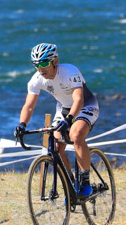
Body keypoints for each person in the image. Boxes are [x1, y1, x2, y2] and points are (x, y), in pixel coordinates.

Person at [15, 43, 100, 196]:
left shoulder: (70, 71)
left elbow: (79, 100)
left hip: (85, 106)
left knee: (76, 135)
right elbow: (28, 106)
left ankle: (85, 182)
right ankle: (70, 182)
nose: (41, 69)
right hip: (63, 109)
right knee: (53, 147)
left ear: (55, 61)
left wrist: (69, 120)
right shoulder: (36, 80)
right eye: (36, 65)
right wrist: (22, 125)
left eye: (44, 63)